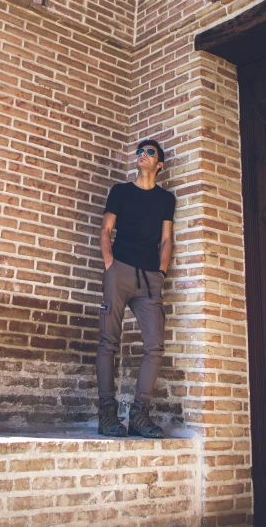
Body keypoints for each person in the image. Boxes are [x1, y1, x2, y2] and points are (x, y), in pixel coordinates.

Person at [96, 139, 175, 438]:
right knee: (108, 341)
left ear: (159, 165)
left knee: (155, 345)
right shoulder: (120, 191)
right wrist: (110, 266)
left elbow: (166, 239)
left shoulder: (166, 199)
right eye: (139, 151)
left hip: (150, 279)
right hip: (120, 271)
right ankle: (107, 414)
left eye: (149, 152)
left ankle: (139, 413)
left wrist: (161, 273)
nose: (142, 154)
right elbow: (106, 230)